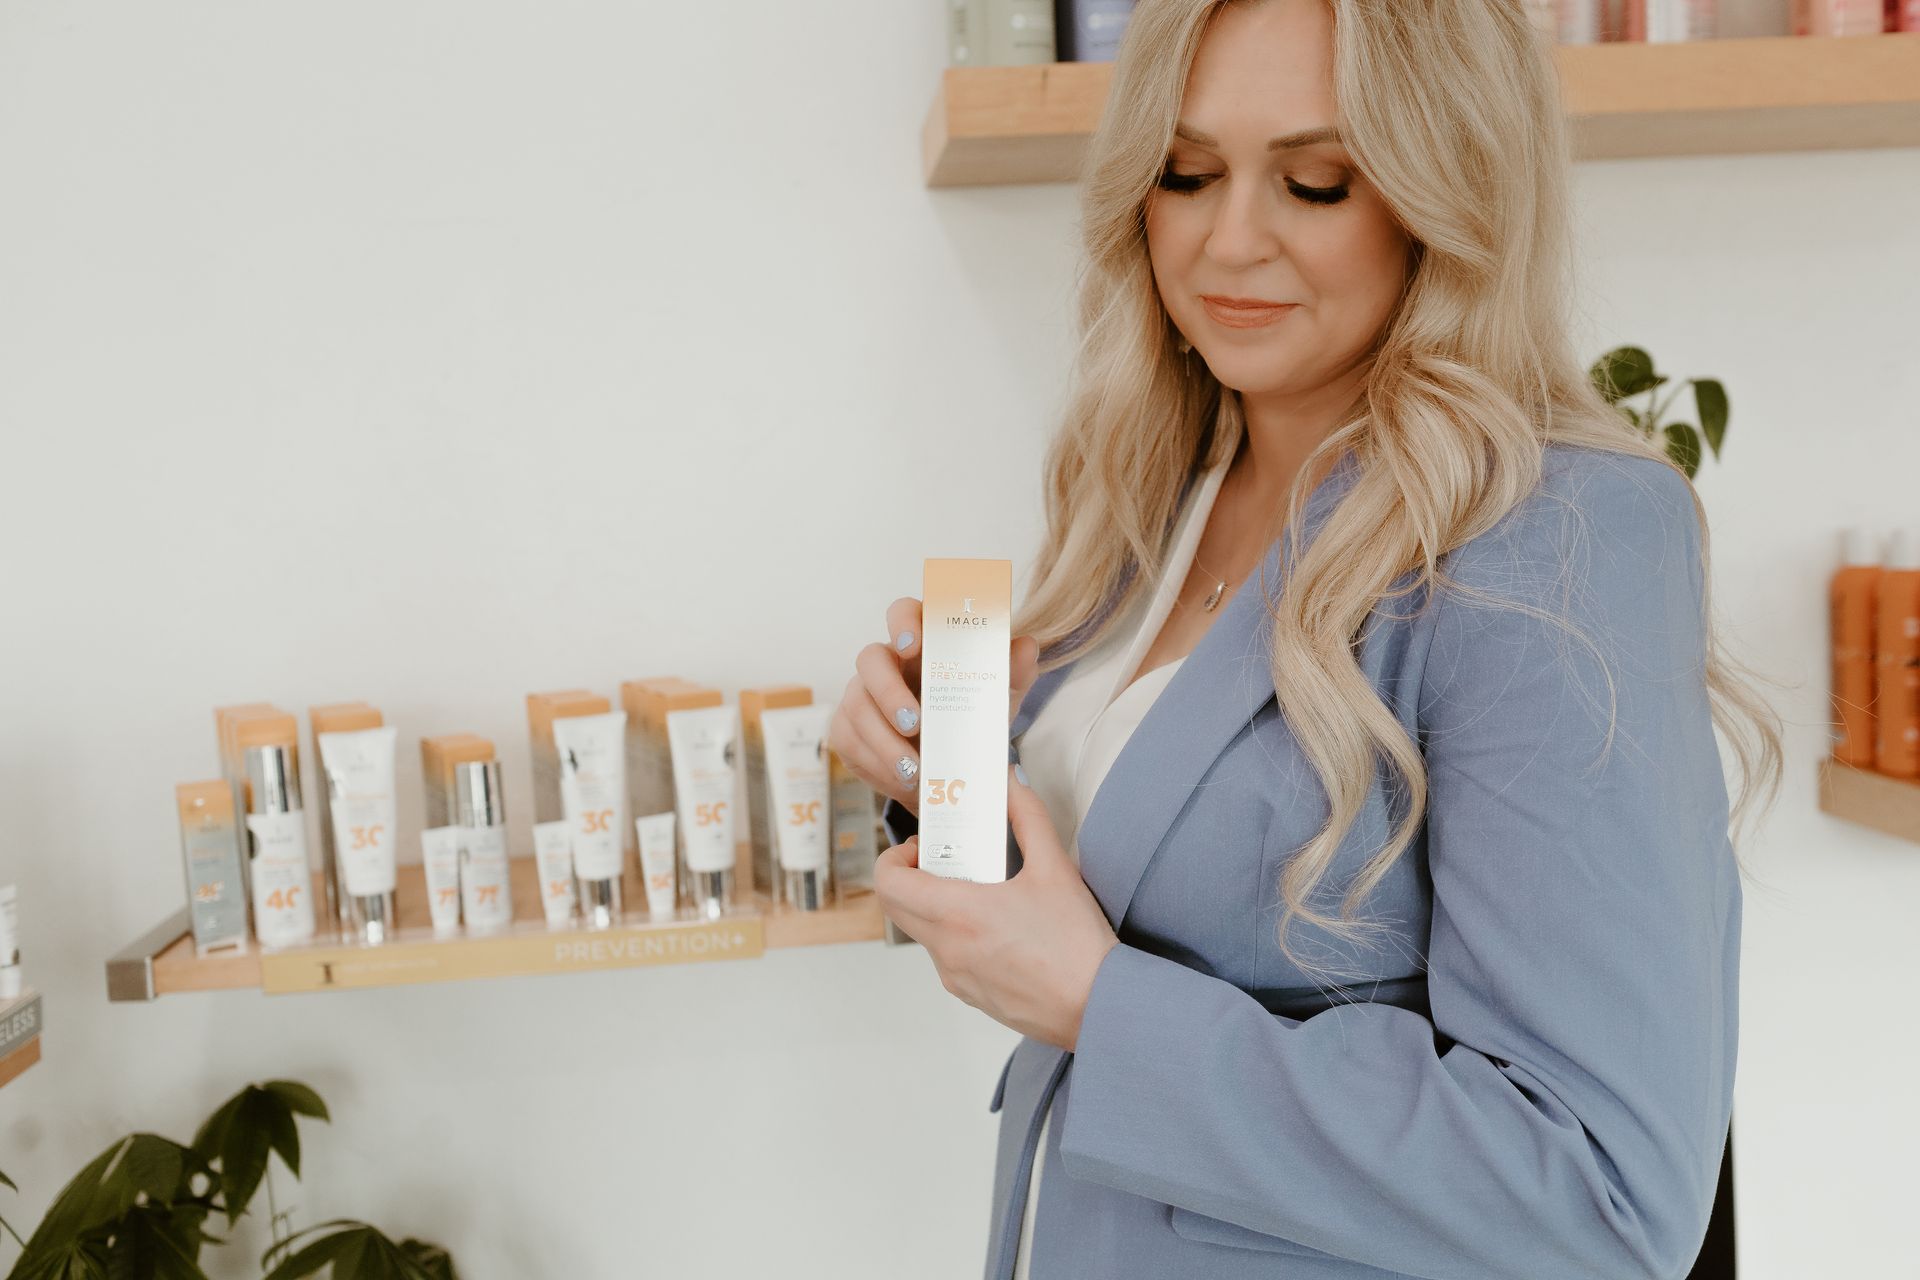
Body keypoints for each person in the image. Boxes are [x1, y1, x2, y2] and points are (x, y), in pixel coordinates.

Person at [827, 0, 1783, 1276]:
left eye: (1316, 181)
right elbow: (1138, 887)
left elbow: (1601, 1192)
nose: (1231, 238)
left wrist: (1105, 1011)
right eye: (1187, 171)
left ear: (1445, 194)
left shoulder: (1557, 533)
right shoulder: (1153, 502)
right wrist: (940, 771)